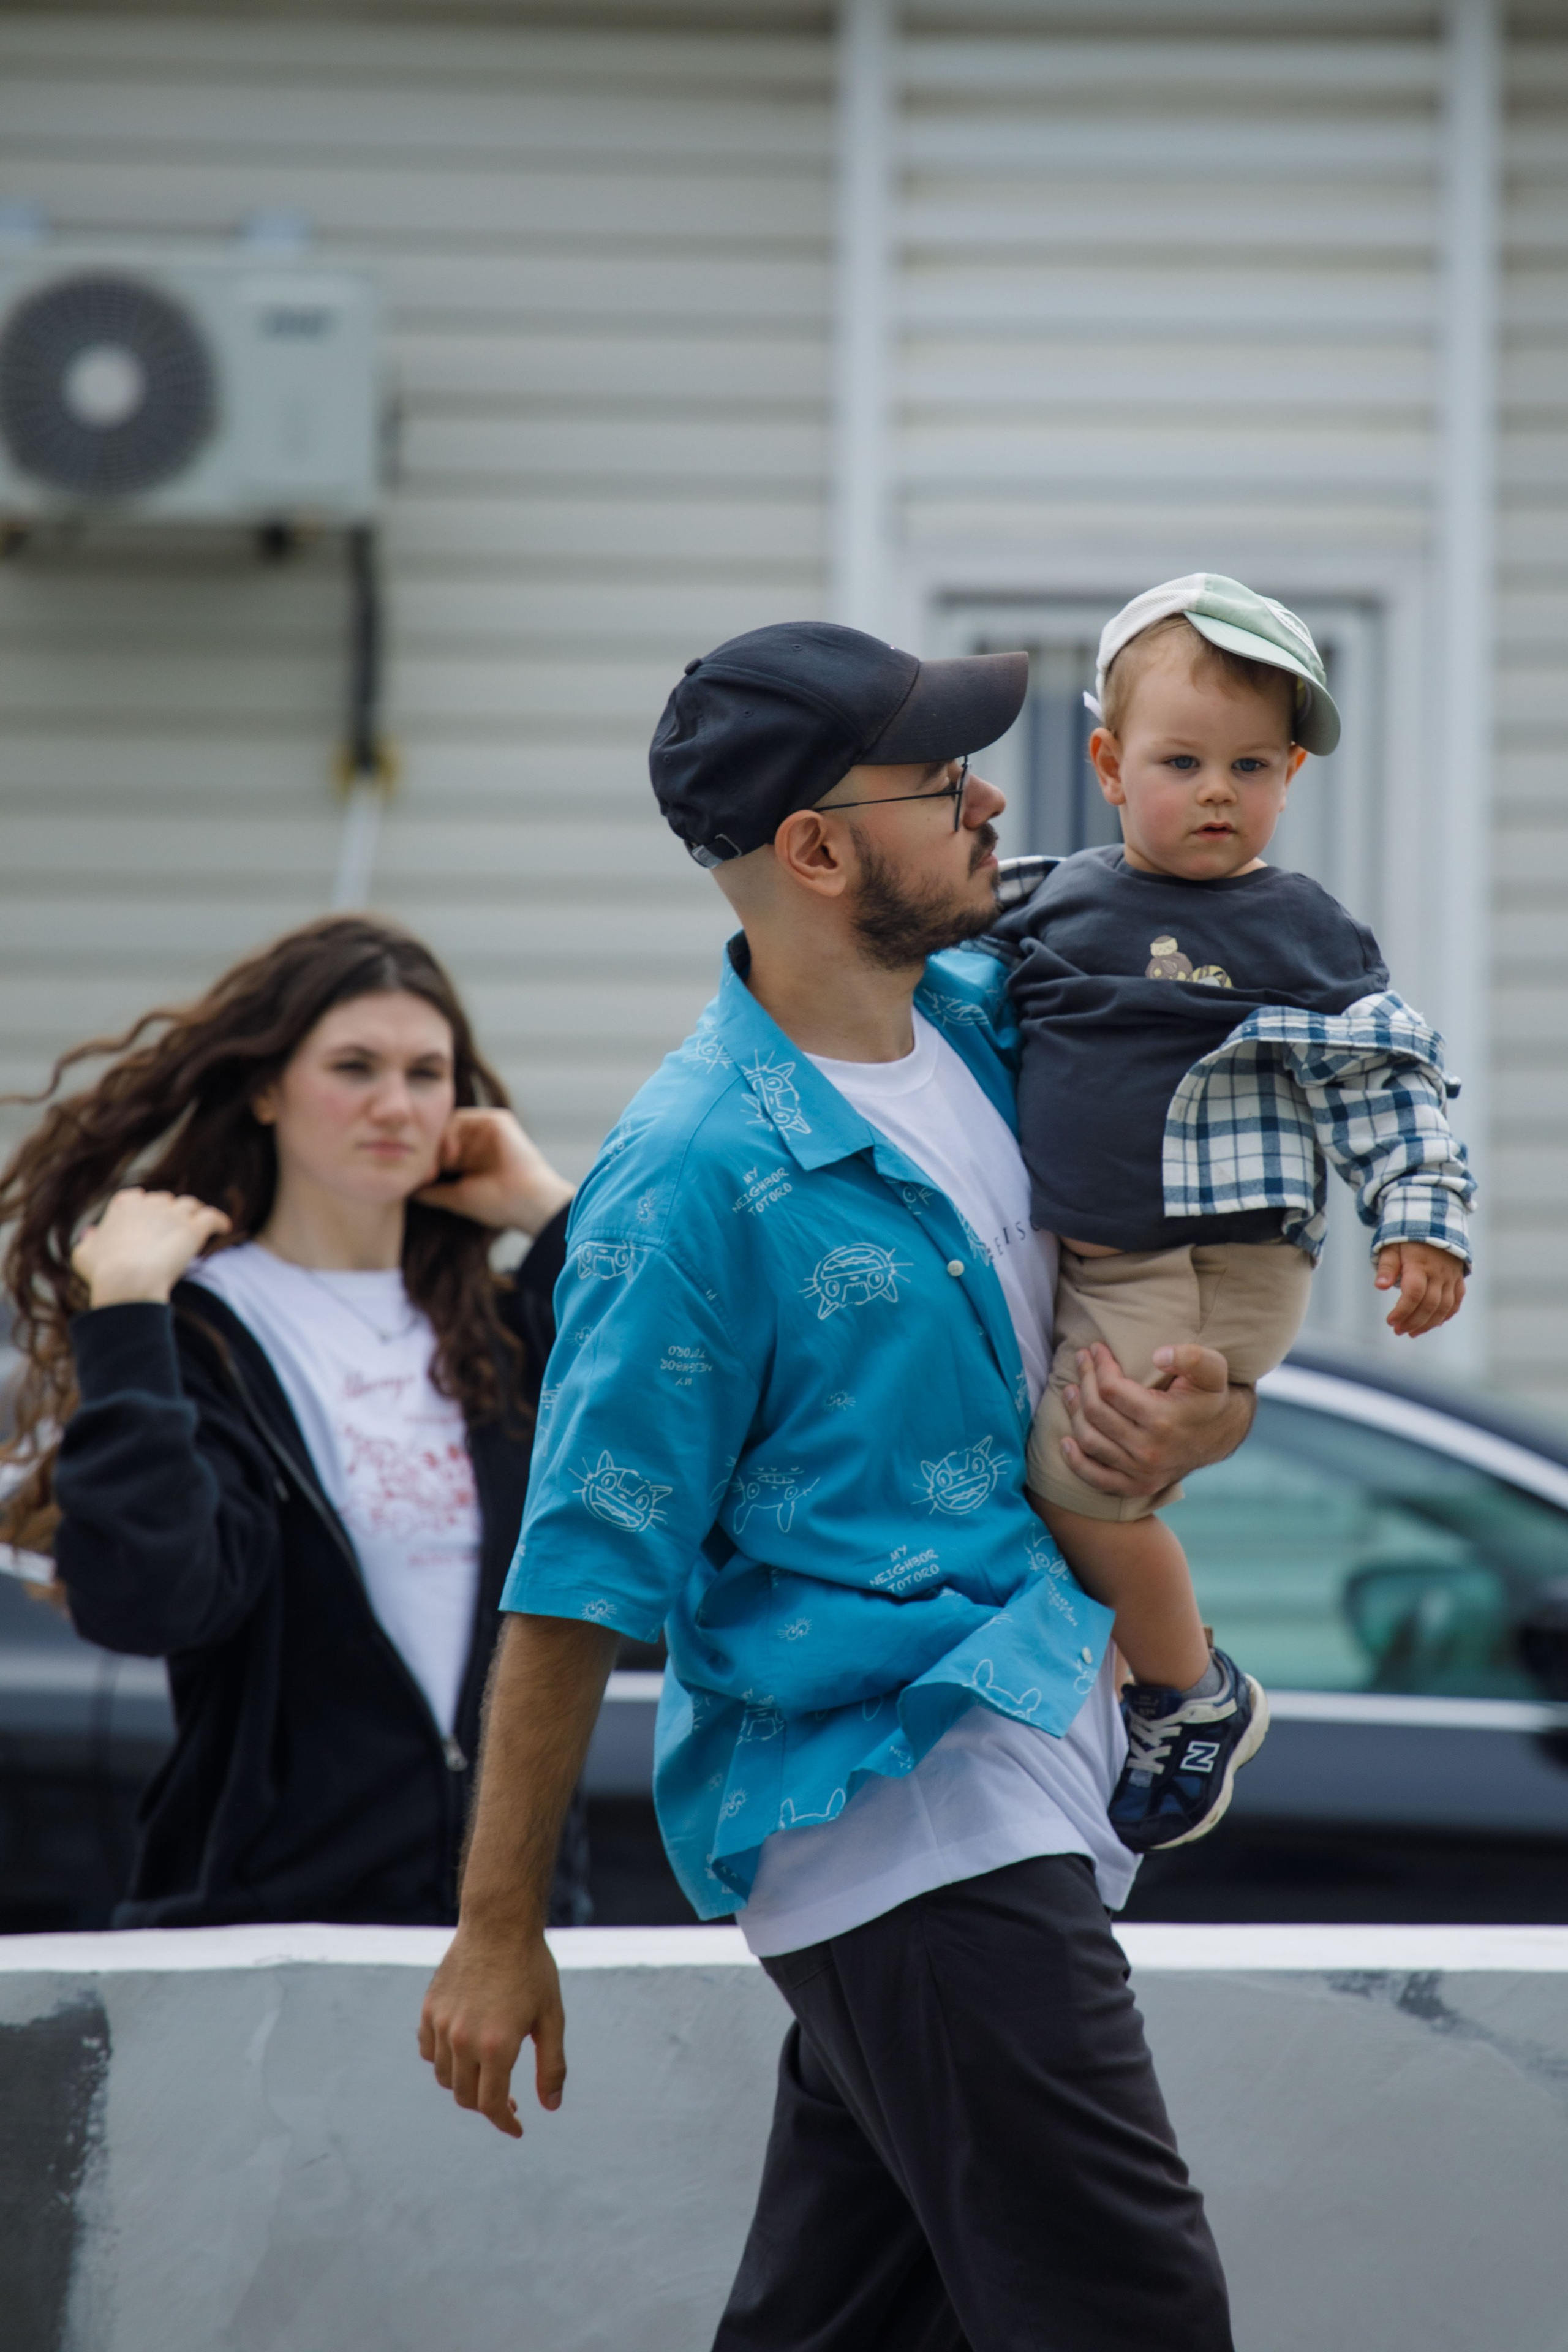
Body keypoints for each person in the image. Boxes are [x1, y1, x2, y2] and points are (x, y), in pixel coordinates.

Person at [420, 622, 1258, 2352]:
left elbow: (1142, 1316)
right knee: (1130, 2309)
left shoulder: (996, 1017)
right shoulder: (689, 1179)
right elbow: (582, 1573)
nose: (989, 803)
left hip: (1013, 1753)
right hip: (906, 1799)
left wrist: (1199, 1412)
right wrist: (497, 1929)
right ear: (813, 850)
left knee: (849, 2323)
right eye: (941, 782)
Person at [992, 576, 1474, 1853]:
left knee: (1081, 1483)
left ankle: (1187, 1688)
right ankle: (1195, 1387)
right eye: (1180, 760)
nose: (1216, 791)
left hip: (1216, 1249)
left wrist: (1417, 1221)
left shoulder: (1301, 929)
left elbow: (1386, 1081)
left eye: (1250, 764)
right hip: (1136, 1264)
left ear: (1290, 776)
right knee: (1135, 1423)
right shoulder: (1052, 903)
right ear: (1105, 762)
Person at [0, 914, 582, 1929]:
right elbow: (148, 1602)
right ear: (266, 1088)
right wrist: (130, 1314)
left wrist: (549, 1213)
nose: (394, 1104)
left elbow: (718, 1409)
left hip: (505, 1930)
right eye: (354, 1067)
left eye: (426, 1072)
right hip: (271, 1930)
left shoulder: (499, 1331)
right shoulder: (203, 1328)